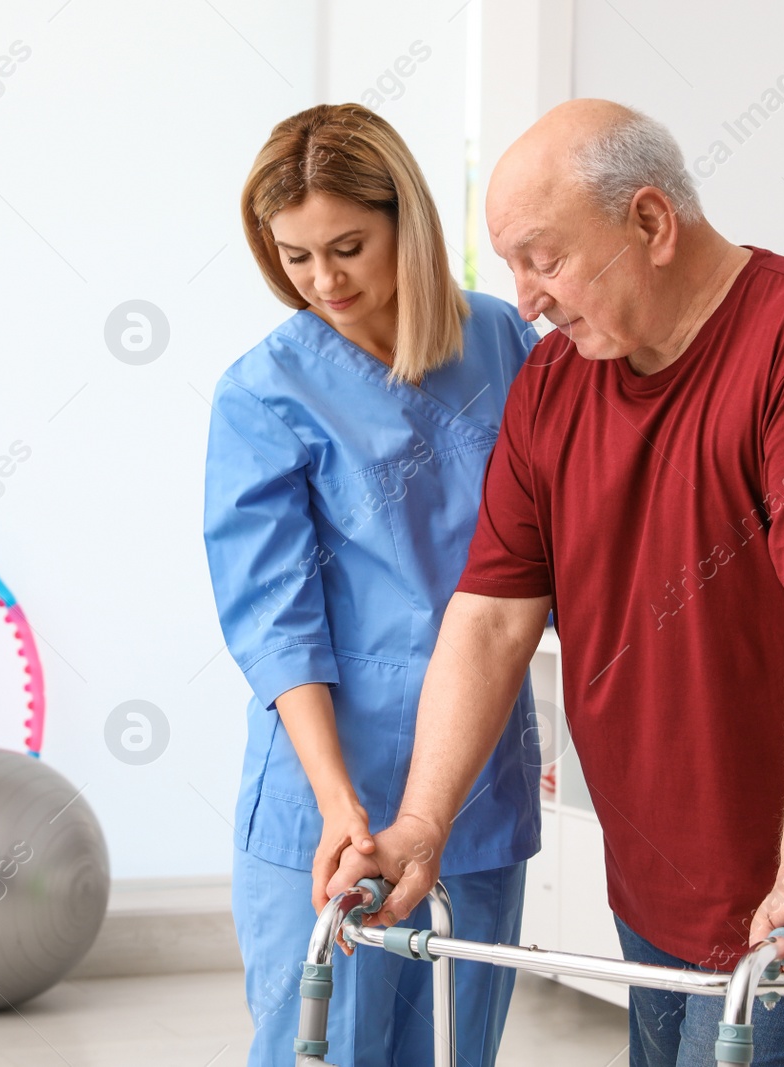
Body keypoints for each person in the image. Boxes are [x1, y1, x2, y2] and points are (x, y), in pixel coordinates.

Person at [329, 99, 784, 1067]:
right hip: (659, 859)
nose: (525, 298)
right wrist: (420, 823)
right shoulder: (556, 382)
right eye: (511, 267)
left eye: (544, 257)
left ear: (652, 223)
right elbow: (493, 616)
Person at [202, 103, 541, 1066]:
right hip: (328, 789)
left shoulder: (507, 345)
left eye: (348, 245)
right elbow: (276, 622)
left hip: (475, 783)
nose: (323, 281)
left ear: (409, 221)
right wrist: (341, 803)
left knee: (454, 1048)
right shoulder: (267, 391)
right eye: (295, 257)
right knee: (328, 1046)